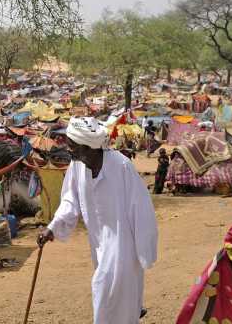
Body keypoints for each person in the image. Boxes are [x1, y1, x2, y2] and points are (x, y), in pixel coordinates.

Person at [38, 117, 158, 324]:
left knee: (104, 291)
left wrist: (144, 249)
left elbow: (142, 209)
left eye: (73, 147)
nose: (69, 151)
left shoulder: (121, 165)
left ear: (89, 147)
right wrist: (53, 228)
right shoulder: (77, 166)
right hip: (99, 244)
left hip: (124, 243)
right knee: (116, 298)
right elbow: (70, 199)